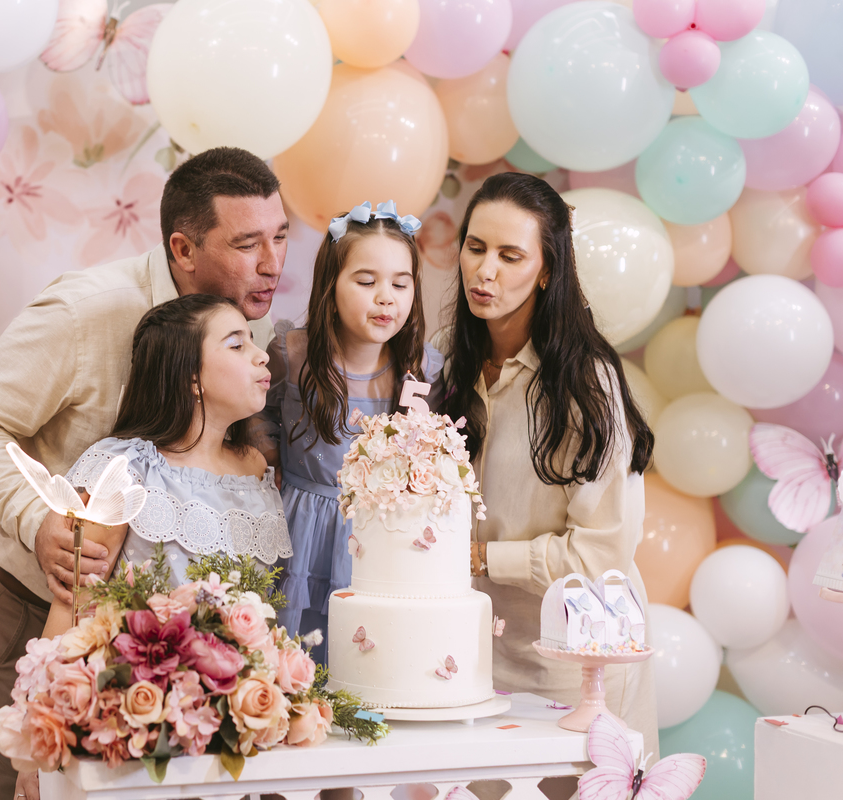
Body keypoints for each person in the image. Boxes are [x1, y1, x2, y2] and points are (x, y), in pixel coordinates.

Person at [0, 147, 288, 800]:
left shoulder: (250, 319)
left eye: (280, 237)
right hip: (53, 608)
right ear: (183, 249)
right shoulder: (87, 311)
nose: (273, 263)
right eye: (247, 244)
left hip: (186, 665)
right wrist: (39, 522)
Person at [21, 294, 292, 799]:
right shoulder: (123, 468)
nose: (261, 356)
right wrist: (37, 750)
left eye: (253, 341)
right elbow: (72, 607)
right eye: (237, 344)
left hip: (230, 739)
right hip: (137, 734)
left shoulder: (255, 467)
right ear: (191, 377)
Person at [432, 172, 659, 755]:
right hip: (467, 655)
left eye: (510, 256)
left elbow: (600, 554)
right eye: (476, 247)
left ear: (547, 270)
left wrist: (483, 558)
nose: (485, 271)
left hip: (573, 665)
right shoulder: (451, 369)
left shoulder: (587, 386)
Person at [262, 201, 440, 660]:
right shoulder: (292, 353)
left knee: (365, 656)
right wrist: (269, 460)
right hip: (301, 529)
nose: (386, 298)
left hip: (380, 536)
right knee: (299, 654)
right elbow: (258, 418)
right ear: (331, 285)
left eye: (400, 283)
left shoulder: (420, 367)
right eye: (366, 281)